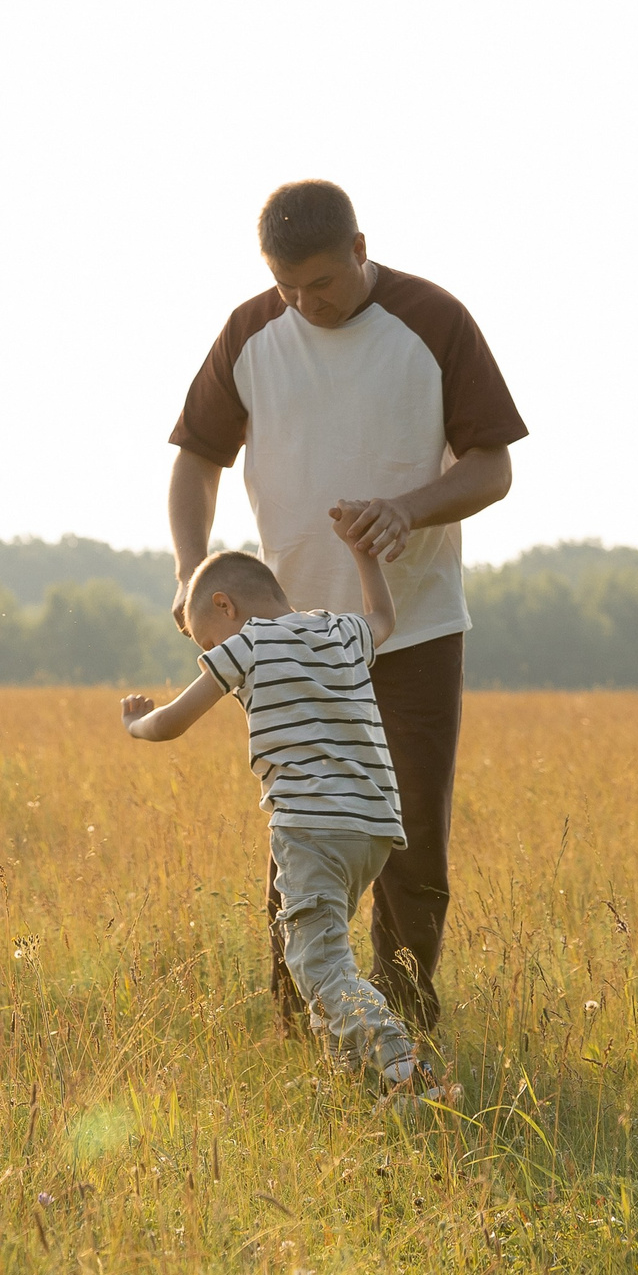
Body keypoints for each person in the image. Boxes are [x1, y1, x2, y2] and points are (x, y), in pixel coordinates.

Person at [167, 179, 525, 1033]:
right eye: (288, 286)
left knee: (411, 843)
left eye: (321, 284)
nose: (304, 304)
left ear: (361, 249)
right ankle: (308, 1026)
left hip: (413, 630)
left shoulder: (433, 321)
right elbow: (195, 459)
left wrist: (409, 508)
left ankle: (403, 1018)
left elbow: (493, 465)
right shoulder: (252, 331)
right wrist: (191, 574)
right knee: (303, 836)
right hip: (288, 642)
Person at [120, 540, 447, 1098]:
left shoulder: (247, 643)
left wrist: (135, 725)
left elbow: (174, 721)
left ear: (224, 606)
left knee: (317, 962)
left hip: (308, 826)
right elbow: (385, 620)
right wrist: (361, 554)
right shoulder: (339, 630)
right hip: (372, 828)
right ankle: (356, 1083)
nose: (212, 650)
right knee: (325, 952)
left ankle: (404, 1068)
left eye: (206, 641)